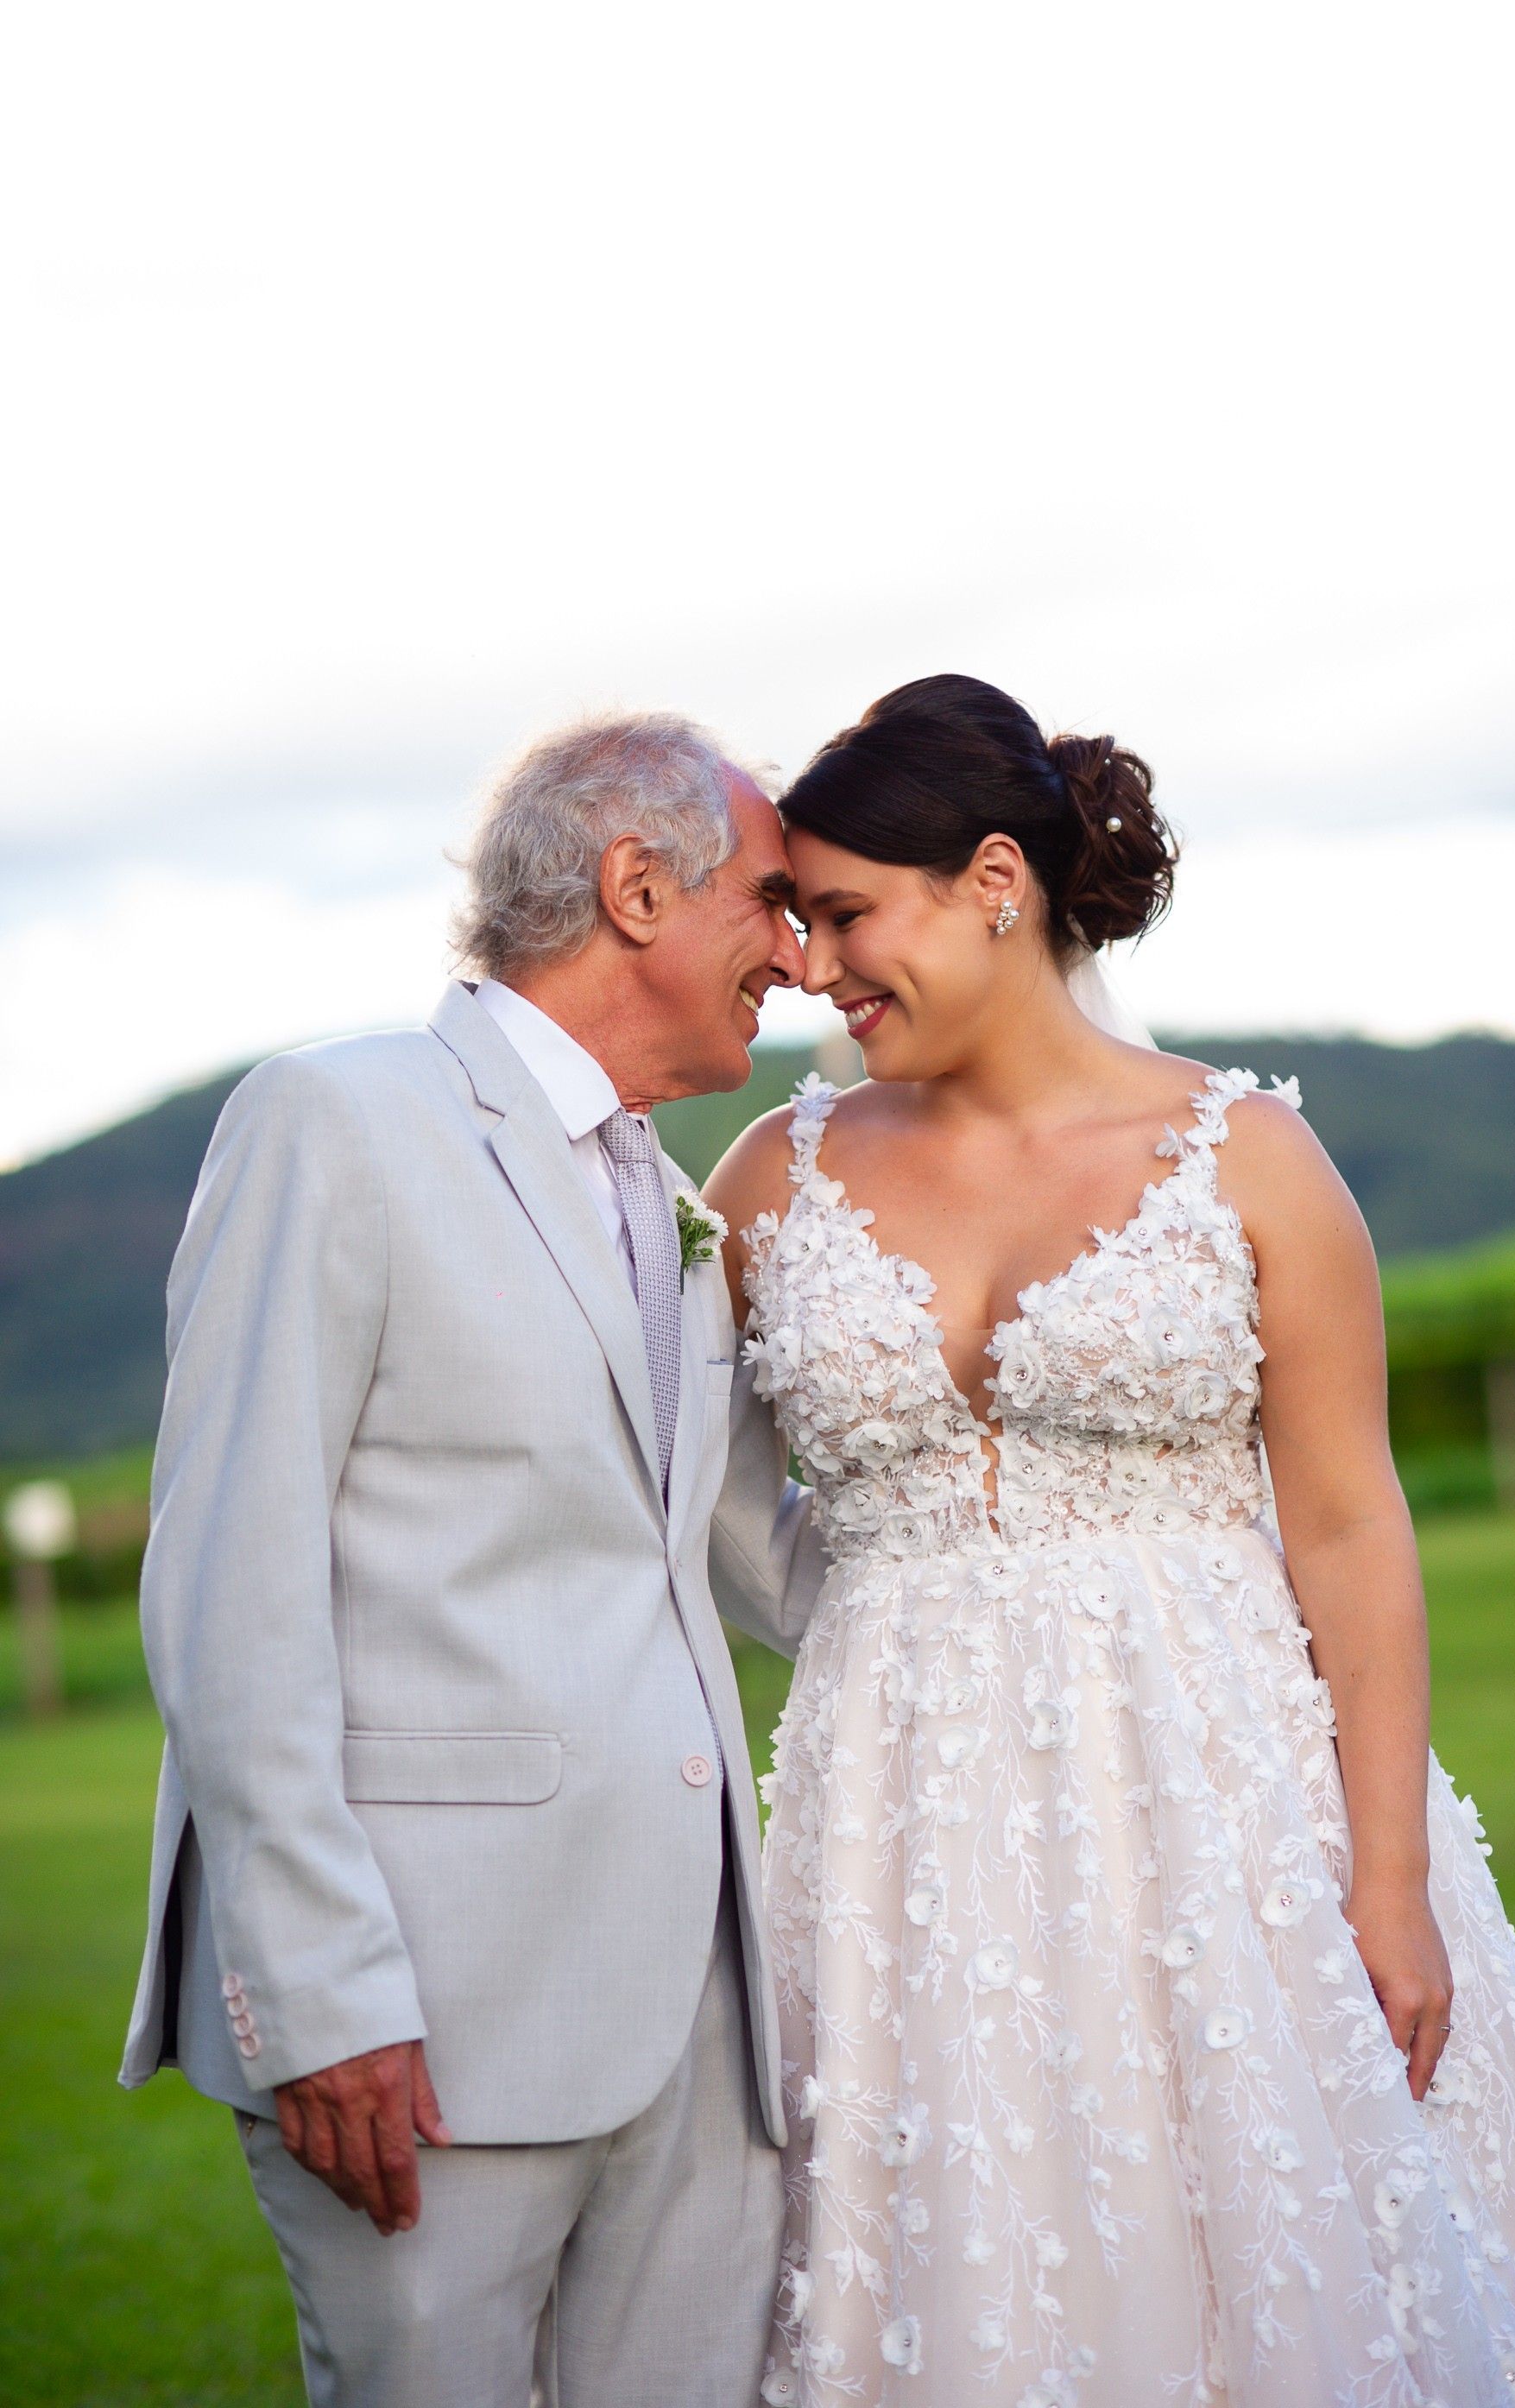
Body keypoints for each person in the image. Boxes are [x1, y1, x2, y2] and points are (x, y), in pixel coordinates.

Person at [708, 675, 1515, 2406]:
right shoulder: (766, 1175)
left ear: (992, 881)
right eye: (798, 923)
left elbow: (1349, 1526)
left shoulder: (1244, 1160)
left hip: (1227, 1809)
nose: (811, 967)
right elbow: (673, 1490)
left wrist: (1389, 1879)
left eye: (840, 914)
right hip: (898, 1820)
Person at [121, 715, 828, 2408]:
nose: (799, 957)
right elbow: (232, 1587)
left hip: (704, 2018)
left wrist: (1071, 1576)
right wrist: (317, 1993)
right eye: (775, 901)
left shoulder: (681, 1202)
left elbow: (747, 1555)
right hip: (423, 2022)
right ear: (637, 886)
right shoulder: (333, 1120)